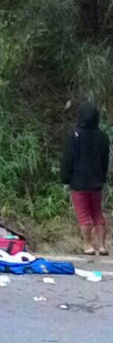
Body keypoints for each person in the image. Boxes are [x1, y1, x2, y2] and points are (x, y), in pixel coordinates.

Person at [60, 101, 110, 256]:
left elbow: (68, 159)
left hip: (79, 182)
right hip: (97, 182)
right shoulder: (102, 136)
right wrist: (102, 177)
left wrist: (65, 177)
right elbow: (105, 160)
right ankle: (102, 246)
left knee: (83, 214)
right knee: (97, 212)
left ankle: (88, 245)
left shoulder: (75, 135)